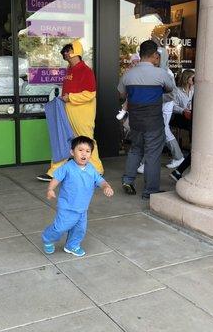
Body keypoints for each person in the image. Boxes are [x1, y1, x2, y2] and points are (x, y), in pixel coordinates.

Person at [37, 40, 104, 181]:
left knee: (86, 141)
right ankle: (55, 172)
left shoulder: (86, 71)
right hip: (67, 111)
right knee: (63, 140)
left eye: (68, 50)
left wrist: (70, 98)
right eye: (64, 51)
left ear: (76, 52)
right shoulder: (70, 70)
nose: (65, 53)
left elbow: (90, 93)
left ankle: (97, 169)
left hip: (82, 114)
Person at [118, 40, 175, 200]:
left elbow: (121, 94)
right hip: (153, 122)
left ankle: (128, 180)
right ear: (155, 56)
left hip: (135, 122)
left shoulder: (128, 74)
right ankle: (150, 190)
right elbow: (170, 89)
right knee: (152, 155)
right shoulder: (161, 74)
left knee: (135, 149)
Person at [41, 136, 113, 257]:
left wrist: (106, 186)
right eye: (80, 150)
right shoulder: (67, 167)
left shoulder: (91, 169)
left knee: (79, 229)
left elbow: (100, 180)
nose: (84, 154)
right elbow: (56, 178)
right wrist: (50, 189)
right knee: (60, 227)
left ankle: (72, 245)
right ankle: (48, 238)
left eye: (88, 151)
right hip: (67, 207)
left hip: (82, 207)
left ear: (91, 154)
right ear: (72, 152)